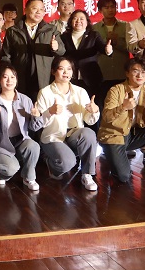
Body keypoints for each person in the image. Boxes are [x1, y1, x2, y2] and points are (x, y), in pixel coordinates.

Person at [34, 57, 100, 191]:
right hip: (53, 136)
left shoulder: (80, 91)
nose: (66, 72)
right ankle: (50, 162)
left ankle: (87, 174)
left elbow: (89, 120)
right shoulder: (45, 92)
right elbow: (39, 124)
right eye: (61, 69)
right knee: (67, 163)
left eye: (69, 69)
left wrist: (94, 111)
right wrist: (49, 112)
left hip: (74, 134)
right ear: (53, 71)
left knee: (88, 133)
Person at [0, 64, 43, 191]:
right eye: (5, 77)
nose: (9, 80)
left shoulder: (25, 100)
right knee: (11, 169)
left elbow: (34, 128)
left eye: (12, 77)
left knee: (34, 146)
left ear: (16, 79)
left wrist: (37, 116)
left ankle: (29, 177)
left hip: (20, 141)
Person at [2, 0, 66, 101]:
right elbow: (6, 55)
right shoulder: (13, 31)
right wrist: (9, 74)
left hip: (43, 78)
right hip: (20, 78)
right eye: (35, 8)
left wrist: (56, 47)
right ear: (25, 10)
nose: (38, 12)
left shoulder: (51, 30)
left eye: (42, 9)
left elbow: (62, 51)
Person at [60, 9, 112, 102]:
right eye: (75, 18)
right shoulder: (64, 36)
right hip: (71, 78)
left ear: (87, 22)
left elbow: (102, 47)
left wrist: (107, 50)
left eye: (81, 19)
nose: (78, 21)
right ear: (70, 21)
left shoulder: (94, 35)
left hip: (91, 77)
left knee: (92, 104)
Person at [92, 0, 131, 107]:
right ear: (100, 10)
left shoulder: (126, 26)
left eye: (112, 7)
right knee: (103, 104)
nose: (110, 10)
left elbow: (131, 48)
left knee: (122, 105)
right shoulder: (94, 28)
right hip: (103, 73)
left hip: (122, 72)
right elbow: (92, 49)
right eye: (106, 7)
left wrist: (116, 42)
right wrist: (105, 43)